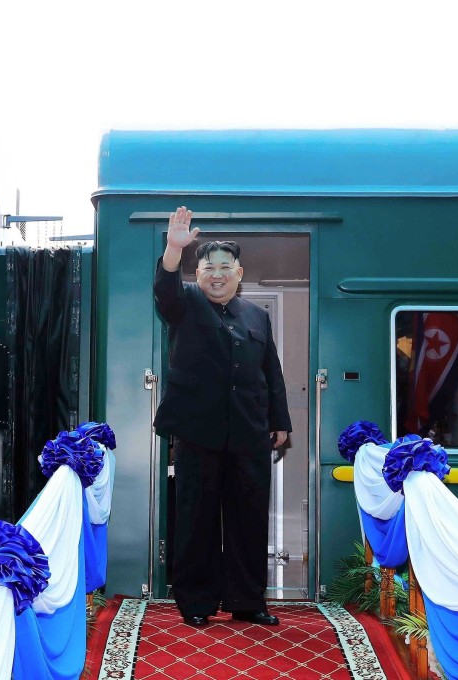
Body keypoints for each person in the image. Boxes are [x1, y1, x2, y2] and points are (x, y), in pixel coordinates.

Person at [153, 206, 292, 627]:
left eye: (224, 267)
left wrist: (280, 420)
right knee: (196, 519)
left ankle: (248, 601)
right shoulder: (187, 302)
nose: (216, 274)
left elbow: (271, 371)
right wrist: (173, 251)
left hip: (250, 433)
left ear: (239, 272)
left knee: (249, 518)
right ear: (198, 274)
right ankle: (196, 602)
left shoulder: (258, 316)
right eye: (208, 267)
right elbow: (165, 291)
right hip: (197, 433)